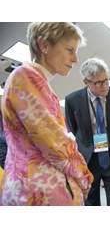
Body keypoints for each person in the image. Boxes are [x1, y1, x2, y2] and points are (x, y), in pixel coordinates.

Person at [0, 22, 93, 206]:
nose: (75, 59)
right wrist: (83, 175)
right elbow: (54, 141)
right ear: (44, 45)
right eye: (69, 50)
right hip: (36, 192)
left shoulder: (38, 81)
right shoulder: (26, 76)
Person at [65, 58, 110, 206]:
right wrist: (87, 144)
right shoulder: (72, 100)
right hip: (88, 158)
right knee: (91, 199)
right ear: (86, 82)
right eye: (99, 82)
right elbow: (73, 128)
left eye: (106, 80)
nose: (105, 85)